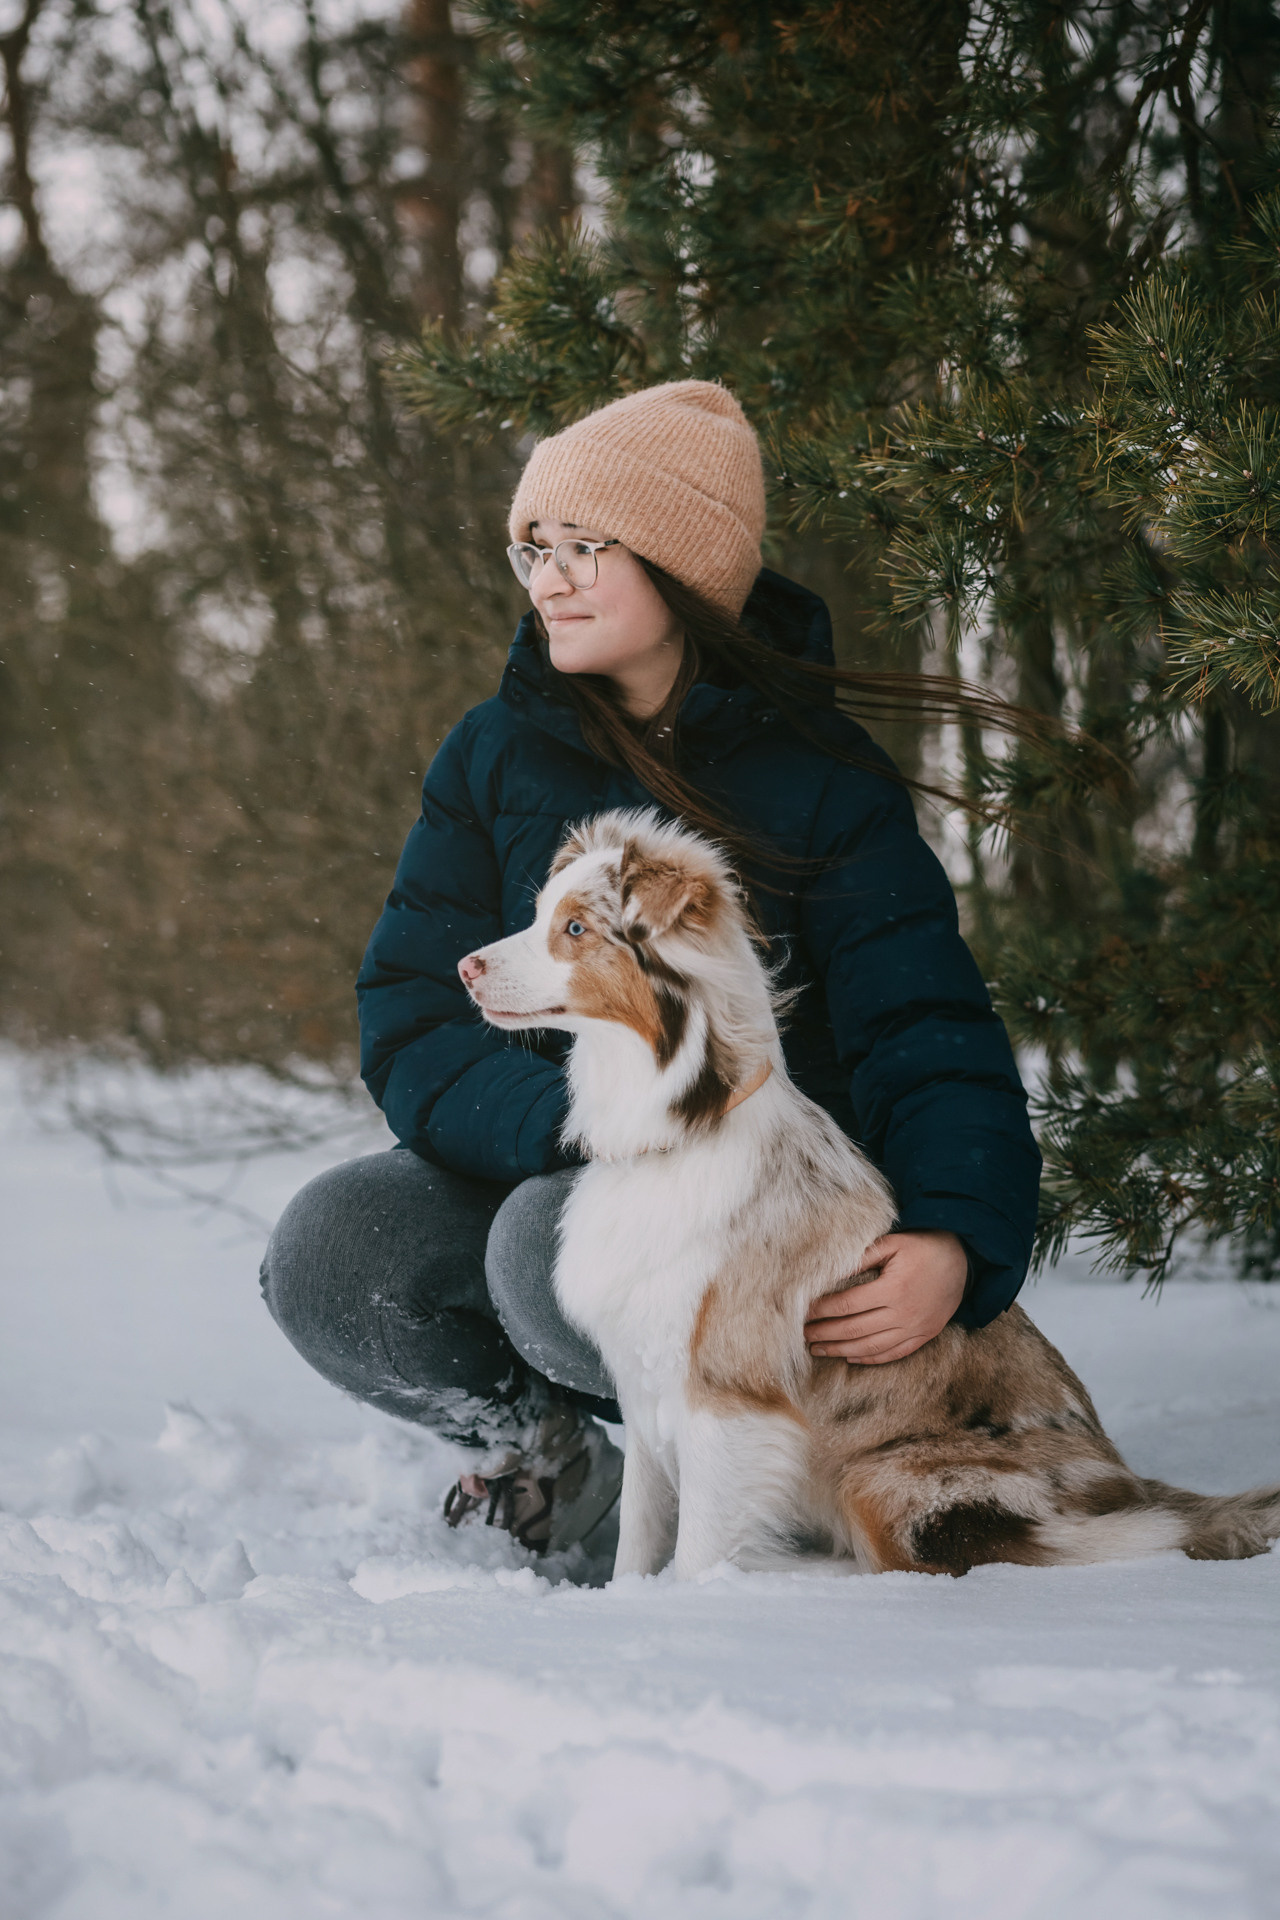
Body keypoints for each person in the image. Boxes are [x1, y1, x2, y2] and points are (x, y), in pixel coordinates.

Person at [260, 380, 1042, 1557]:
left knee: (548, 1244)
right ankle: (568, 1469)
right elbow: (410, 1012)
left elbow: (922, 1027)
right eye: (533, 547)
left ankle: (747, 1473)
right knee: (333, 1249)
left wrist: (953, 1236)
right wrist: (580, 1125)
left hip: (745, 1197)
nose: (549, 577)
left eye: (585, 546)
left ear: (681, 570)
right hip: (543, 1142)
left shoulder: (820, 776)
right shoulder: (490, 754)